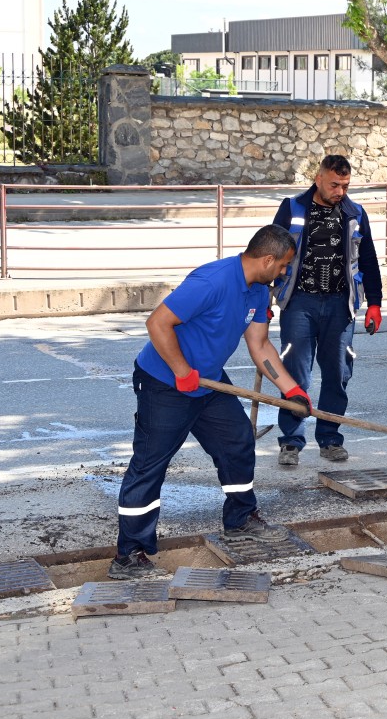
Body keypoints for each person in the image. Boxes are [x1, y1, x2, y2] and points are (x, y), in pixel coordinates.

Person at [111, 225, 314, 580]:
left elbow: (261, 345)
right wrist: (180, 369)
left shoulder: (258, 292)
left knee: (236, 442)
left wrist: (291, 390)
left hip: (208, 381)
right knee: (149, 465)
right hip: (165, 382)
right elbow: (158, 322)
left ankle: (240, 519)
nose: (284, 272)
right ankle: (129, 555)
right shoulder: (213, 281)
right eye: (283, 266)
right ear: (267, 259)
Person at [271, 154, 383, 466]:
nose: (340, 191)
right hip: (299, 304)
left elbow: (370, 260)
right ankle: (291, 442)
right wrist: (262, 298)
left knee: (338, 373)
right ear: (319, 178)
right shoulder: (292, 208)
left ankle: (330, 439)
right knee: (295, 374)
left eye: (345, 185)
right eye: (334, 184)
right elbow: (269, 251)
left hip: (340, 305)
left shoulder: (354, 213)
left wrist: (375, 303)